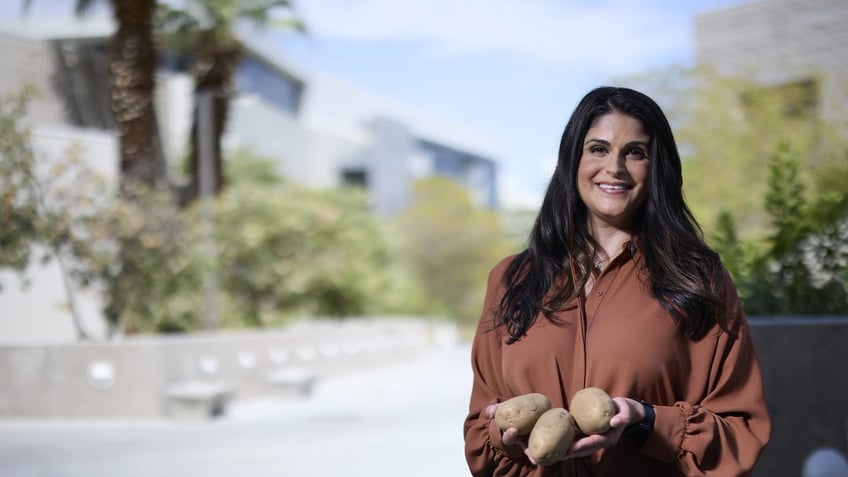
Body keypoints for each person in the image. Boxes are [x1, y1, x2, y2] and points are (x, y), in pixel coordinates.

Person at [463, 86, 770, 476]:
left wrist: (644, 420)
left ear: (655, 168)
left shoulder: (698, 280)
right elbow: (478, 428)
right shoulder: (511, 279)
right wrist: (500, 432)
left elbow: (741, 430)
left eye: (635, 152)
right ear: (572, 160)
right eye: (598, 148)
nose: (615, 167)